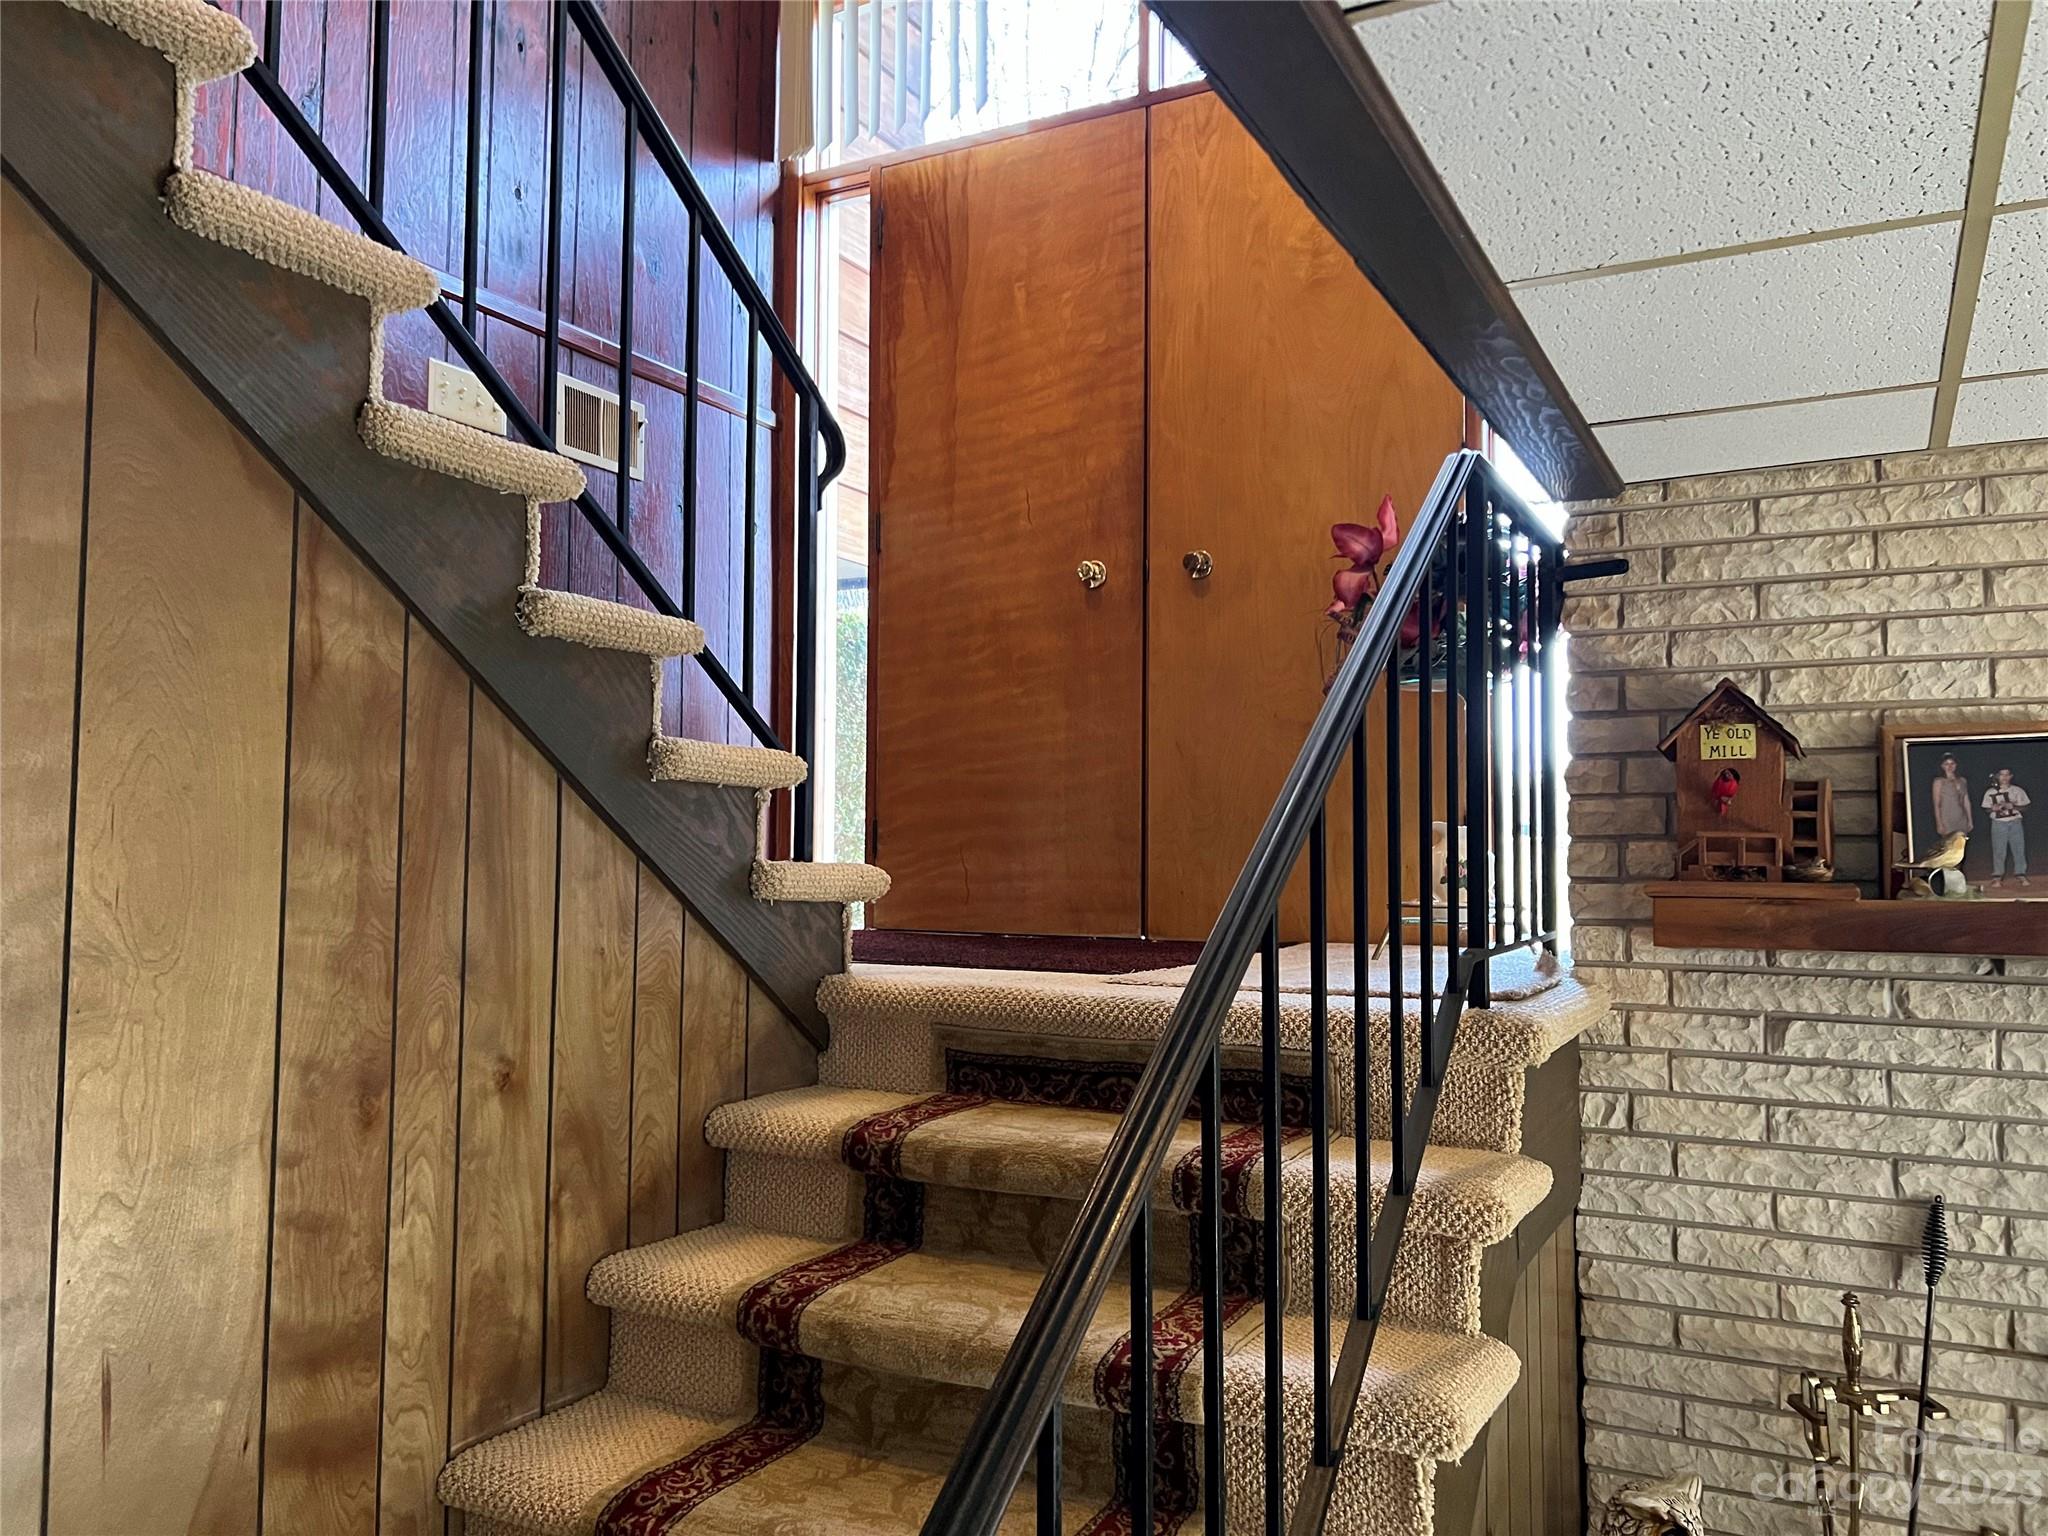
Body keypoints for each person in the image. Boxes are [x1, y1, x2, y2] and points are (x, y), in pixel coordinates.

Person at [1982, 767, 2031, 888]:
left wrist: (2013, 806)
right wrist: (1992, 809)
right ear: (1997, 776)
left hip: (2015, 823)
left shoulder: (2017, 790)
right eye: (2002, 775)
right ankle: (1998, 876)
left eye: (2007, 775)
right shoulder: (1990, 792)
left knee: (2018, 848)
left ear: (2011, 776)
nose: (2004, 778)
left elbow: (2026, 807)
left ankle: (2021, 873)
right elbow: (1986, 808)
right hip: (1998, 823)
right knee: (1999, 850)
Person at [1929, 755, 1973, 838]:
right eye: (1946, 764)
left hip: (1961, 818)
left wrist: (1970, 820)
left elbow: (1966, 801)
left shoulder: (1963, 780)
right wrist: (1939, 824)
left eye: (1952, 763)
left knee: (1961, 846)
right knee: (1949, 847)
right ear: (1942, 766)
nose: (1950, 766)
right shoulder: (1939, 781)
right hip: (1947, 819)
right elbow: (1937, 805)